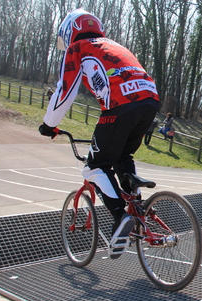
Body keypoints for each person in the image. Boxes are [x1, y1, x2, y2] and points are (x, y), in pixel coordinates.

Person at [38, 8, 160, 259]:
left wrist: (49, 124)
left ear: (70, 30)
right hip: (149, 101)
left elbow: (65, 91)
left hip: (120, 105)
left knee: (94, 167)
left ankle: (119, 216)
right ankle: (134, 204)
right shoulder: (112, 45)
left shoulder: (78, 48)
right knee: (121, 154)